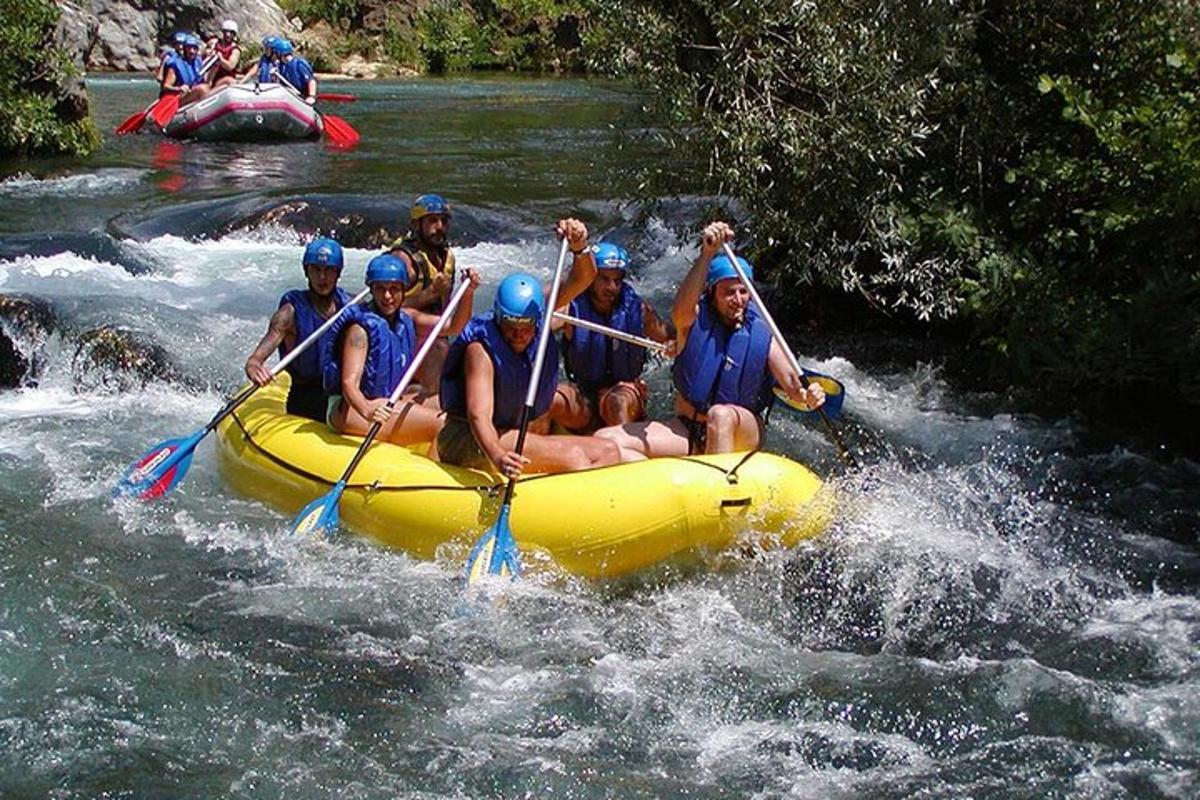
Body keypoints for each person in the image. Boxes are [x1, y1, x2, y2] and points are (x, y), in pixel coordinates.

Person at [595, 221, 825, 457]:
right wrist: (707, 254)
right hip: (689, 428)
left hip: (739, 430)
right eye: (728, 292)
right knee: (607, 439)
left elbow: (791, 383)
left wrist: (808, 395)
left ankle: (722, 489)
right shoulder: (693, 320)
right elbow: (680, 310)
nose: (738, 299)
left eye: (743, 291)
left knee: (720, 414)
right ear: (712, 293)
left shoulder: (761, 331)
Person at [437, 219, 639, 478]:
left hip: (506, 432)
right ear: (499, 317)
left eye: (526, 327)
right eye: (511, 326)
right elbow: (478, 416)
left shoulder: (538, 312)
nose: (518, 334)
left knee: (609, 451)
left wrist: (579, 247)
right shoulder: (480, 350)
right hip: (470, 439)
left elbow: (583, 279)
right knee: (577, 458)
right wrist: (498, 456)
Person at [323, 254, 480, 446]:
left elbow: (455, 327)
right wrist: (368, 410)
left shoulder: (408, 319)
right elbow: (349, 384)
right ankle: (433, 471)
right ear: (371, 289)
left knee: (457, 406)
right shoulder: (359, 331)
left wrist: (468, 292)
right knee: (441, 423)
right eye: (380, 289)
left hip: (388, 399)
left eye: (394, 289)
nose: (387, 296)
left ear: (404, 290)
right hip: (352, 409)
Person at [553, 242, 673, 432]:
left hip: (624, 391)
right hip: (584, 394)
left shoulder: (638, 309)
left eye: (618, 280)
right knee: (549, 398)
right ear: (590, 277)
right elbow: (538, 327)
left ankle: (625, 453)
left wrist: (674, 344)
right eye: (605, 279)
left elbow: (670, 338)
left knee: (617, 402)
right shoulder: (570, 308)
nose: (612, 287)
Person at [244, 238, 352, 422]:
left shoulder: (350, 306)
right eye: (316, 270)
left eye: (329, 270)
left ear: (338, 273)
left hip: (340, 395)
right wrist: (254, 365)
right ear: (306, 271)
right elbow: (257, 358)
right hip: (305, 398)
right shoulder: (289, 313)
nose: (322, 278)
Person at [388, 193, 456, 392]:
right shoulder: (403, 260)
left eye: (444, 221)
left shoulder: (446, 256)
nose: (440, 227)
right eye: (433, 221)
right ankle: (429, 402)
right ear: (417, 224)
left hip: (435, 332)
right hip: (404, 339)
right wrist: (432, 292)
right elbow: (386, 308)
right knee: (439, 349)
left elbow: (445, 309)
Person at [159, 34, 210, 108]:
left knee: (206, 87)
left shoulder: (198, 62)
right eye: (189, 48)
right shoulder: (175, 64)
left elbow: (206, 82)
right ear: (185, 49)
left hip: (193, 94)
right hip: (180, 97)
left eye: (194, 48)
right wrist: (179, 88)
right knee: (202, 89)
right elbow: (166, 86)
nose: (192, 51)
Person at [275, 39, 317, 104]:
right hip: (292, 97)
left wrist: (311, 96)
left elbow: (311, 81)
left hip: (303, 97)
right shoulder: (281, 66)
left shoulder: (299, 64)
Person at [206, 20, 241, 89]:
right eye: (226, 32)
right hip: (210, 75)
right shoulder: (213, 42)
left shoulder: (235, 49)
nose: (228, 35)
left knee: (229, 80)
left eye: (231, 32)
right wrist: (208, 52)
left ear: (234, 34)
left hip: (224, 78)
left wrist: (220, 58)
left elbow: (230, 66)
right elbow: (202, 54)